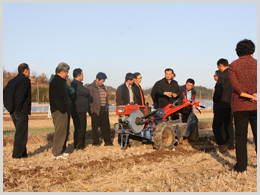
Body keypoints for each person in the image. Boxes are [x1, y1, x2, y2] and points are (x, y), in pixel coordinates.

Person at [229, 39, 257, 172]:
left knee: (240, 137)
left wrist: (249, 95)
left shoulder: (233, 65)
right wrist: (255, 96)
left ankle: (241, 166)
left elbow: (237, 87)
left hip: (240, 105)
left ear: (237, 51)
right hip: (257, 105)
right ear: (252, 50)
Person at [3, 63, 31, 158]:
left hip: (12, 111)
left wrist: (9, 107)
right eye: (29, 70)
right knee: (21, 134)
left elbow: (5, 93)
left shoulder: (12, 81)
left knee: (20, 132)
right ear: (26, 70)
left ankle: (23, 154)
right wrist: (20, 109)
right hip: (20, 111)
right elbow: (20, 95)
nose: (29, 72)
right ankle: (17, 155)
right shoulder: (25, 80)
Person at [49, 62, 71, 160]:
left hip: (62, 110)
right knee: (60, 131)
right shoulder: (56, 82)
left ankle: (61, 150)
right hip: (59, 111)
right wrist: (63, 108)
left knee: (64, 131)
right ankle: (56, 153)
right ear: (62, 72)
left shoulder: (60, 81)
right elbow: (58, 98)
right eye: (66, 72)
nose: (67, 74)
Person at [212, 58, 235, 153]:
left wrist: (215, 99)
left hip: (221, 104)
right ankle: (231, 145)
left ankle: (221, 144)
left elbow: (219, 90)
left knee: (216, 126)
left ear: (220, 65)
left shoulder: (222, 76)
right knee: (229, 125)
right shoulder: (233, 74)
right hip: (231, 104)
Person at [87, 72, 113, 146]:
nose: (103, 82)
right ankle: (96, 143)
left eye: (103, 81)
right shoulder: (91, 87)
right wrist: (91, 109)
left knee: (106, 127)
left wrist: (107, 107)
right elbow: (89, 100)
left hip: (104, 109)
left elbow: (105, 98)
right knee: (95, 128)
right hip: (95, 110)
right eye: (102, 81)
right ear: (97, 79)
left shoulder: (103, 87)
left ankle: (108, 142)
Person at [71, 68, 91, 150]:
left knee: (82, 128)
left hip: (81, 109)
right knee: (79, 128)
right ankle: (78, 145)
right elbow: (87, 92)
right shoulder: (76, 85)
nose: (83, 76)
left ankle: (82, 144)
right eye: (82, 74)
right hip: (78, 109)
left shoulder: (78, 84)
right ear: (78, 75)